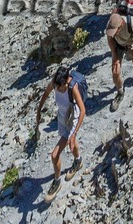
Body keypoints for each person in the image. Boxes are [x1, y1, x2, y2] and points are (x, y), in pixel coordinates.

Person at [34, 64, 86, 197]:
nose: (57, 89)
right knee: (70, 142)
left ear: (66, 82)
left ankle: (57, 182)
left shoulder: (72, 87)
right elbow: (45, 94)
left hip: (72, 116)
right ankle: (78, 160)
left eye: (60, 88)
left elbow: (82, 110)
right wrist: (39, 111)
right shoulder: (56, 82)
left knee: (54, 155)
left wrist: (73, 133)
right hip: (63, 115)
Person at [106, 0, 133, 110]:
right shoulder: (112, 22)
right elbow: (110, 38)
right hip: (118, 45)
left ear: (121, 26)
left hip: (130, 41)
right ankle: (120, 93)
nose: (113, 32)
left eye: (115, 30)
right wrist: (114, 54)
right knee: (115, 71)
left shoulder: (131, 23)